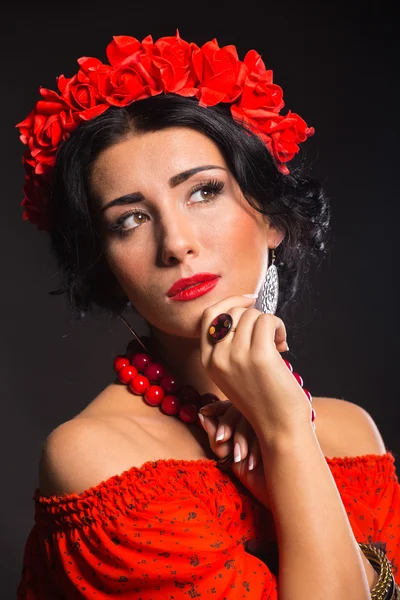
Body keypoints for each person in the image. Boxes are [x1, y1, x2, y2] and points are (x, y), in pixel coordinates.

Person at [16, 32, 400, 600]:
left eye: (203, 192)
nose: (176, 243)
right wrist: (288, 434)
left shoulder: (351, 432)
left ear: (272, 218)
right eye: (130, 220)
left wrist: (284, 470)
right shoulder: (96, 458)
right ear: (108, 268)